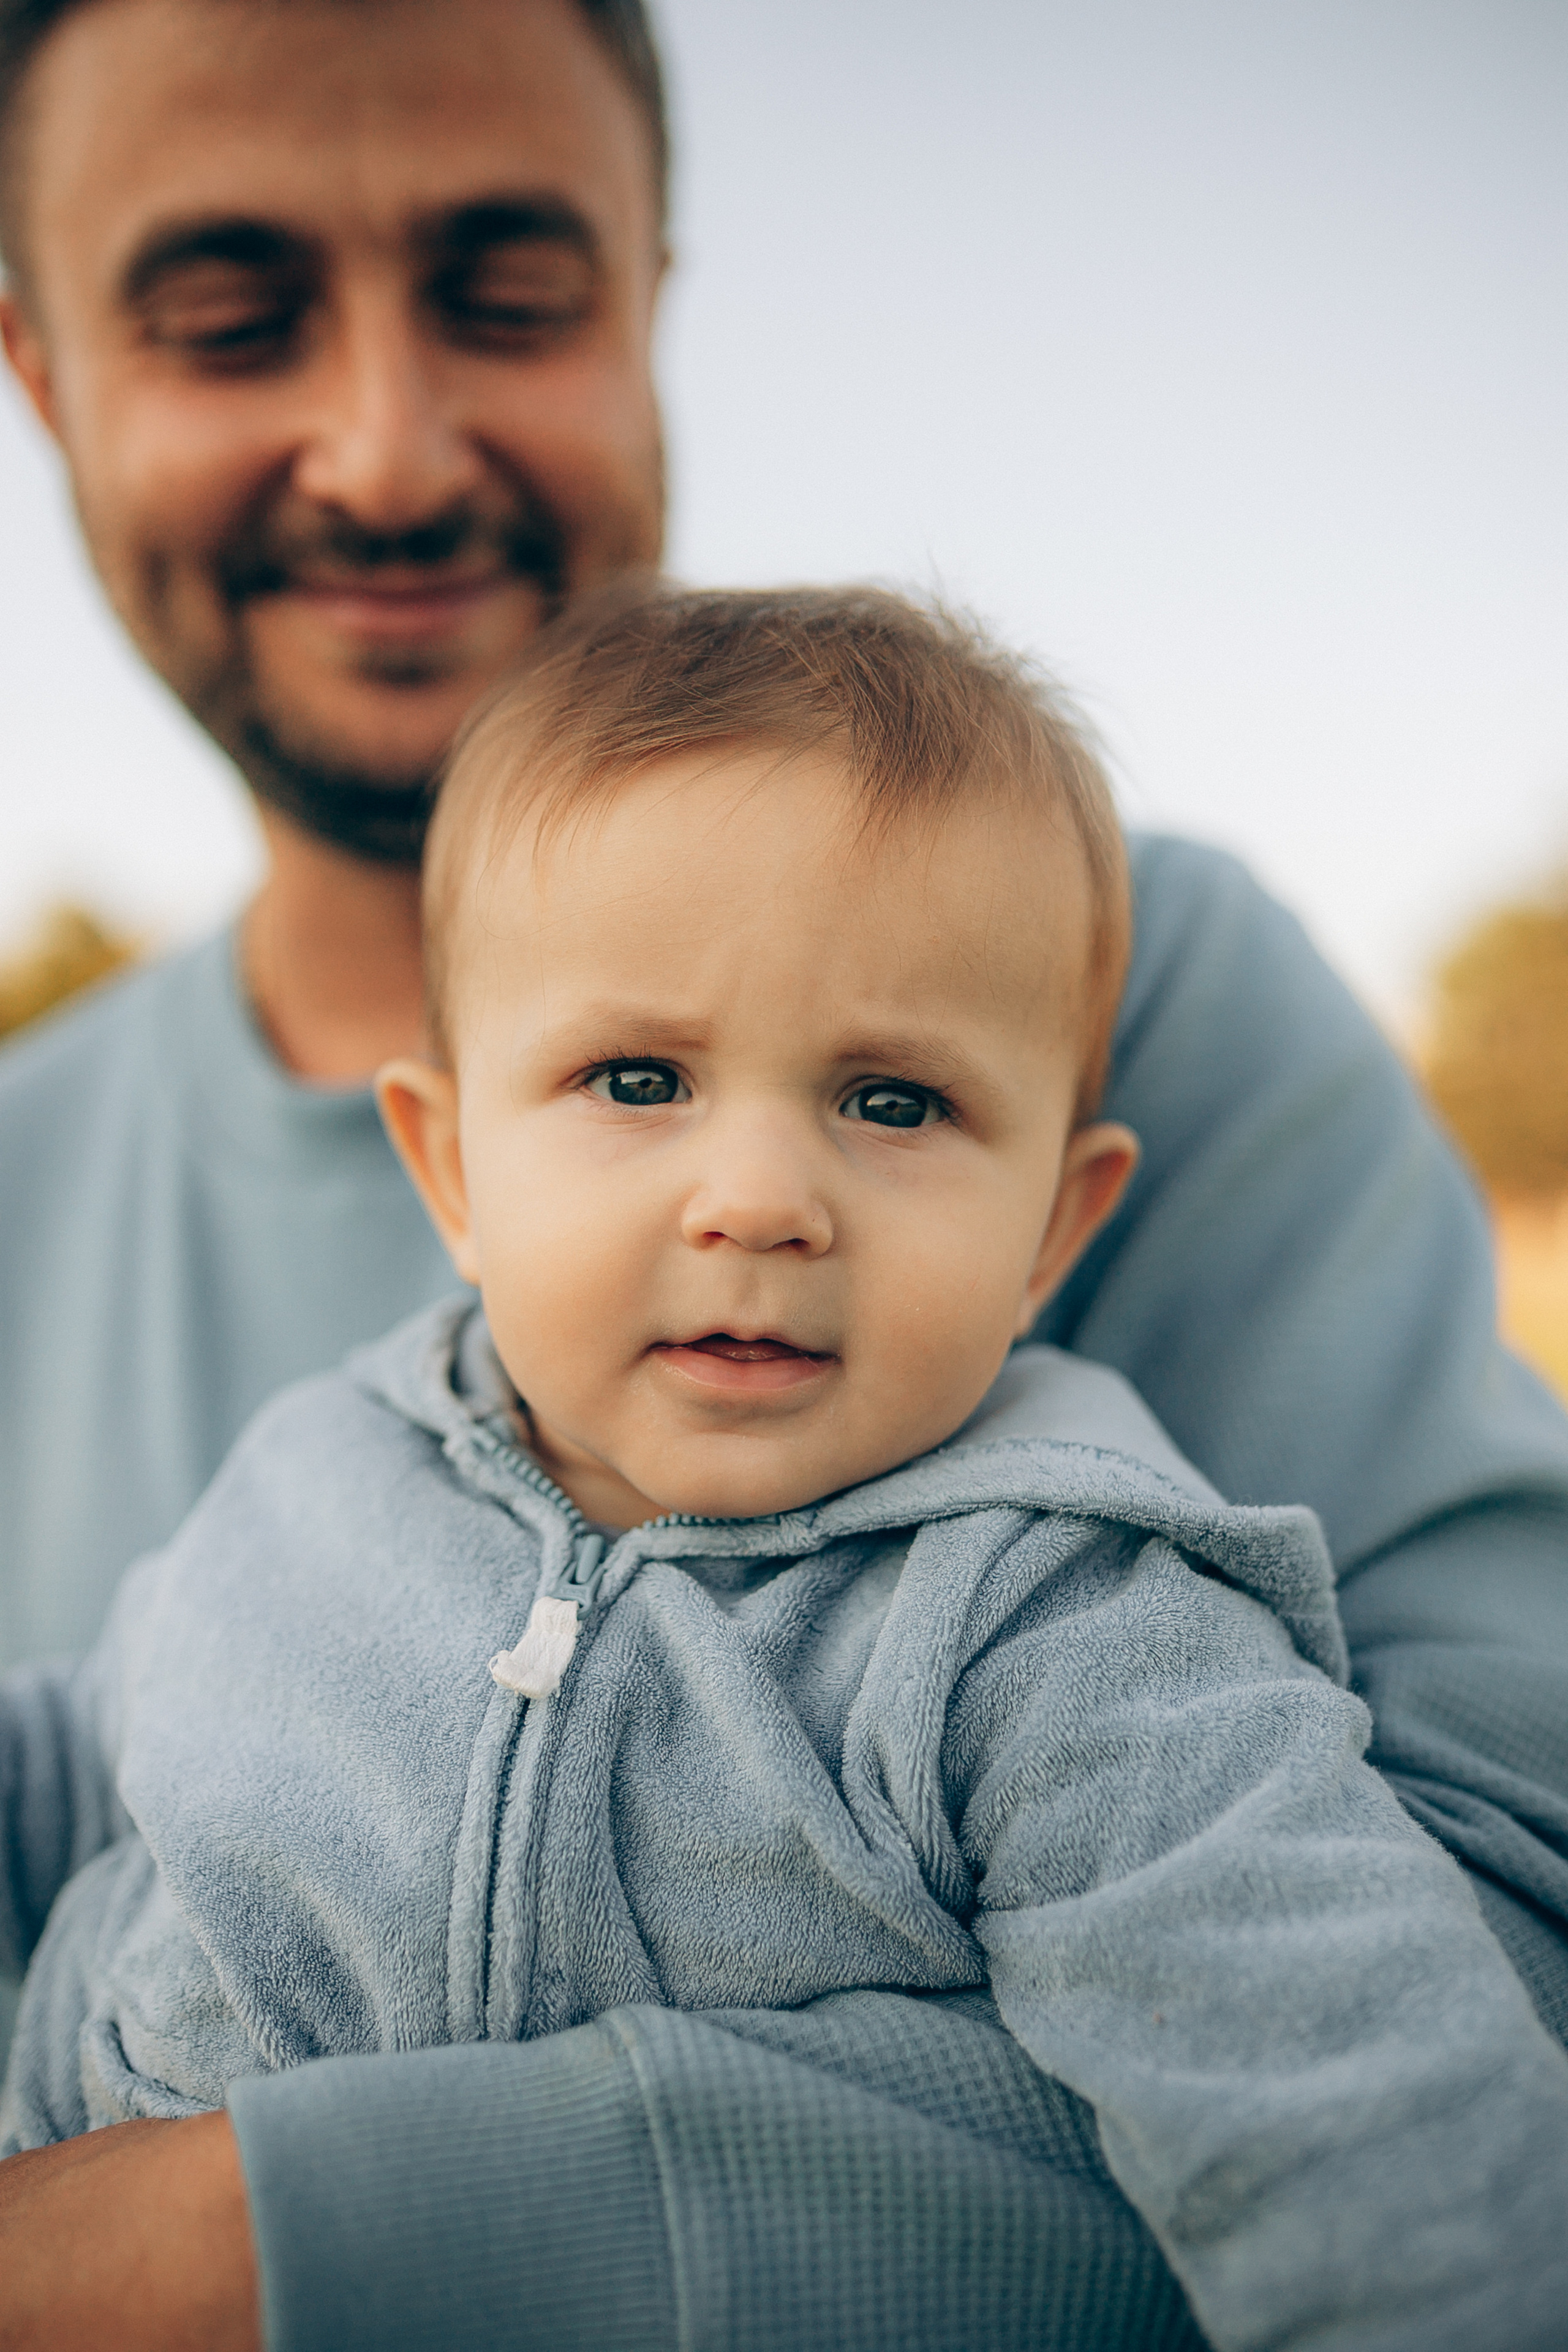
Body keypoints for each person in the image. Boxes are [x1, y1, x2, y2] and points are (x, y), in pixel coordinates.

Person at [0, 2, 1564, 2348]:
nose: (389, 447)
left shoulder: (1051, 1625)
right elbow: (77, 1754)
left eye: (510, 296)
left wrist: (268, 2250)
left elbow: (1420, 2093)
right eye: (230, 321)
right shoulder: (314, 1472)